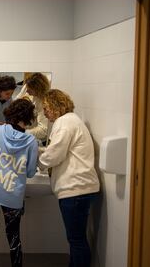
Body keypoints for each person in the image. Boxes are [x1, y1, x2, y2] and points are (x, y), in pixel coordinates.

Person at [38, 89, 100, 267]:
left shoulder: (64, 123)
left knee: (76, 240)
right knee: (76, 239)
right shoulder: (72, 120)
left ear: (56, 106)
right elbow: (63, 150)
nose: (44, 112)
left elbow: (55, 154)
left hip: (75, 189)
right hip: (80, 188)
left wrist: (39, 162)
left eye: (46, 108)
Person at [0, 99, 39, 267]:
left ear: (10, 113)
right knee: (13, 235)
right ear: (28, 118)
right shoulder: (31, 142)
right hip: (12, 195)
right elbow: (31, 172)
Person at [15, 72, 50, 143]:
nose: (27, 91)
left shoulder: (44, 103)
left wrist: (22, 133)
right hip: (22, 130)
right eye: (26, 88)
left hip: (35, 138)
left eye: (30, 90)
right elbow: (16, 103)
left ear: (38, 90)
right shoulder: (27, 86)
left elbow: (43, 130)